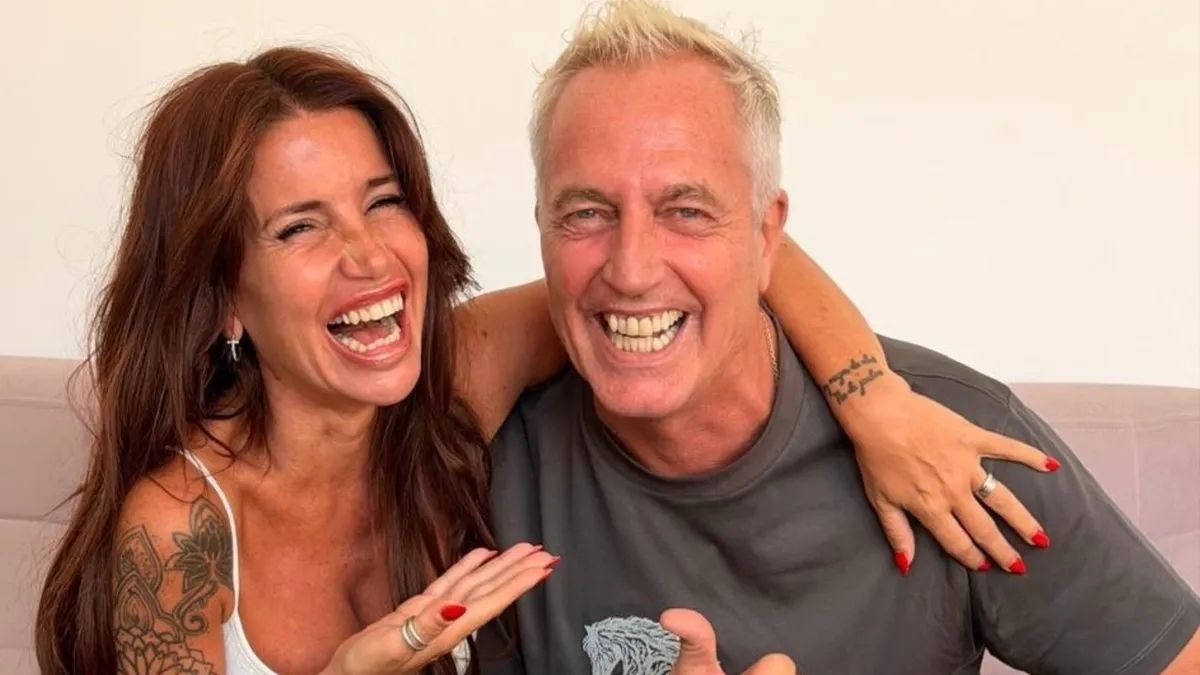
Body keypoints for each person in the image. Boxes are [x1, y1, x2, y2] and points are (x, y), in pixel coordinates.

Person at [36, 46, 1054, 675]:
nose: (369, 256)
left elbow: (702, 257)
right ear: (222, 293)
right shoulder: (180, 531)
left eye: (383, 202)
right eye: (300, 227)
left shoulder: (450, 384)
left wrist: (872, 398)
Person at [486, 1, 1200, 673]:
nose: (633, 269)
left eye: (687, 211)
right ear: (542, 226)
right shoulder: (483, 462)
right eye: (586, 213)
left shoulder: (952, 445)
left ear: (768, 234)